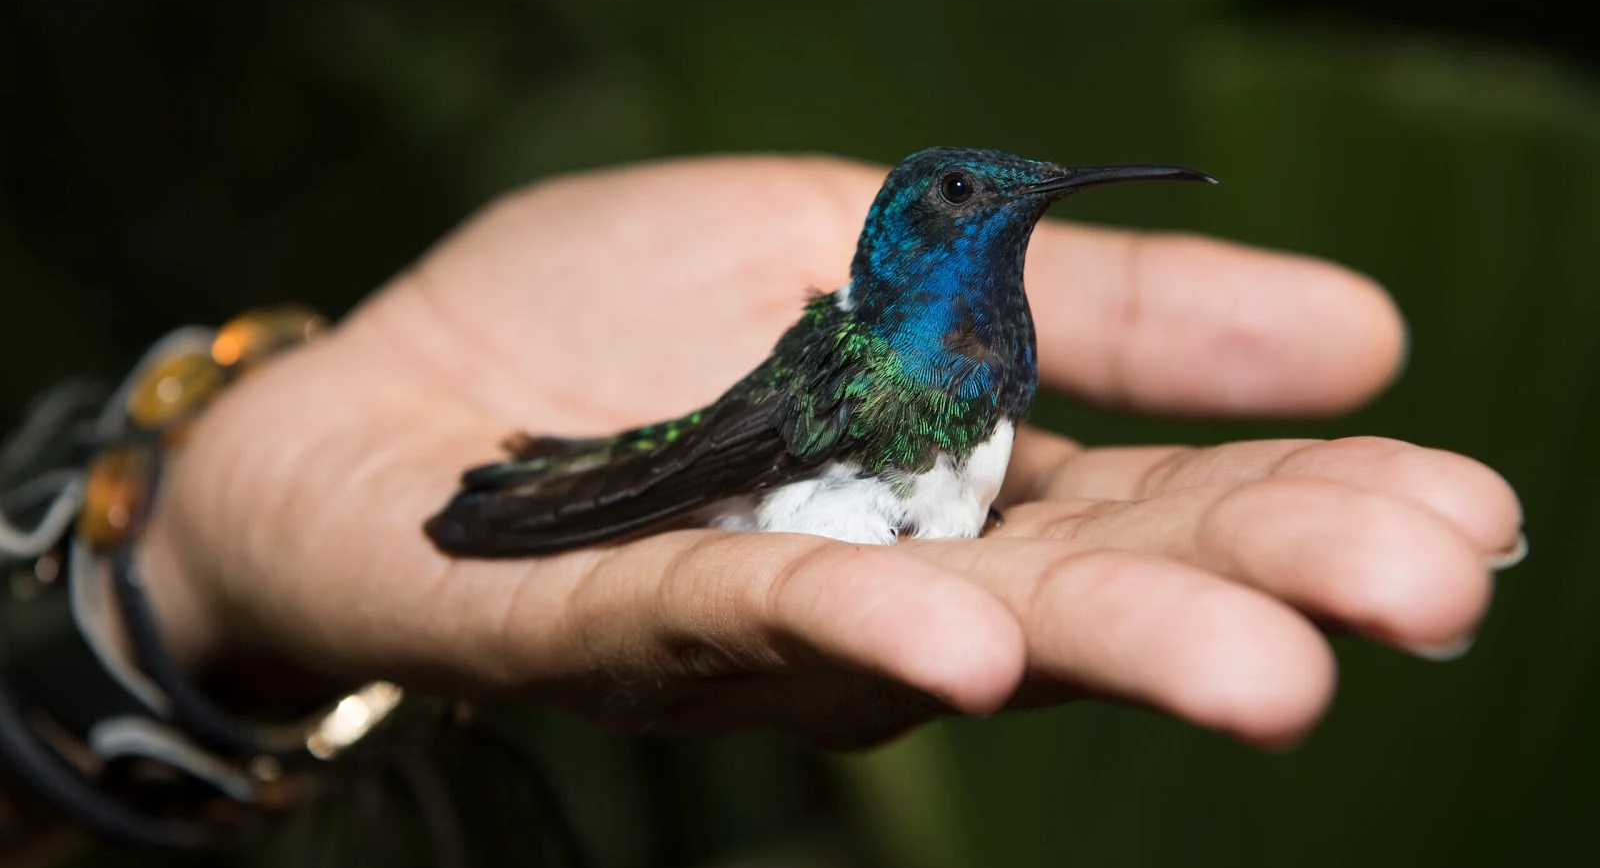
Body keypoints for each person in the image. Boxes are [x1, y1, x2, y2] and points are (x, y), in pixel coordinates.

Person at [112, 152, 1522, 753]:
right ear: (916, 226)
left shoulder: (976, 342)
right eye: (973, 192)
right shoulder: (857, 361)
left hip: (902, 471)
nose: (1006, 203)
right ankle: (537, 480)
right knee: (624, 475)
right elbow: (706, 463)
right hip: (787, 479)